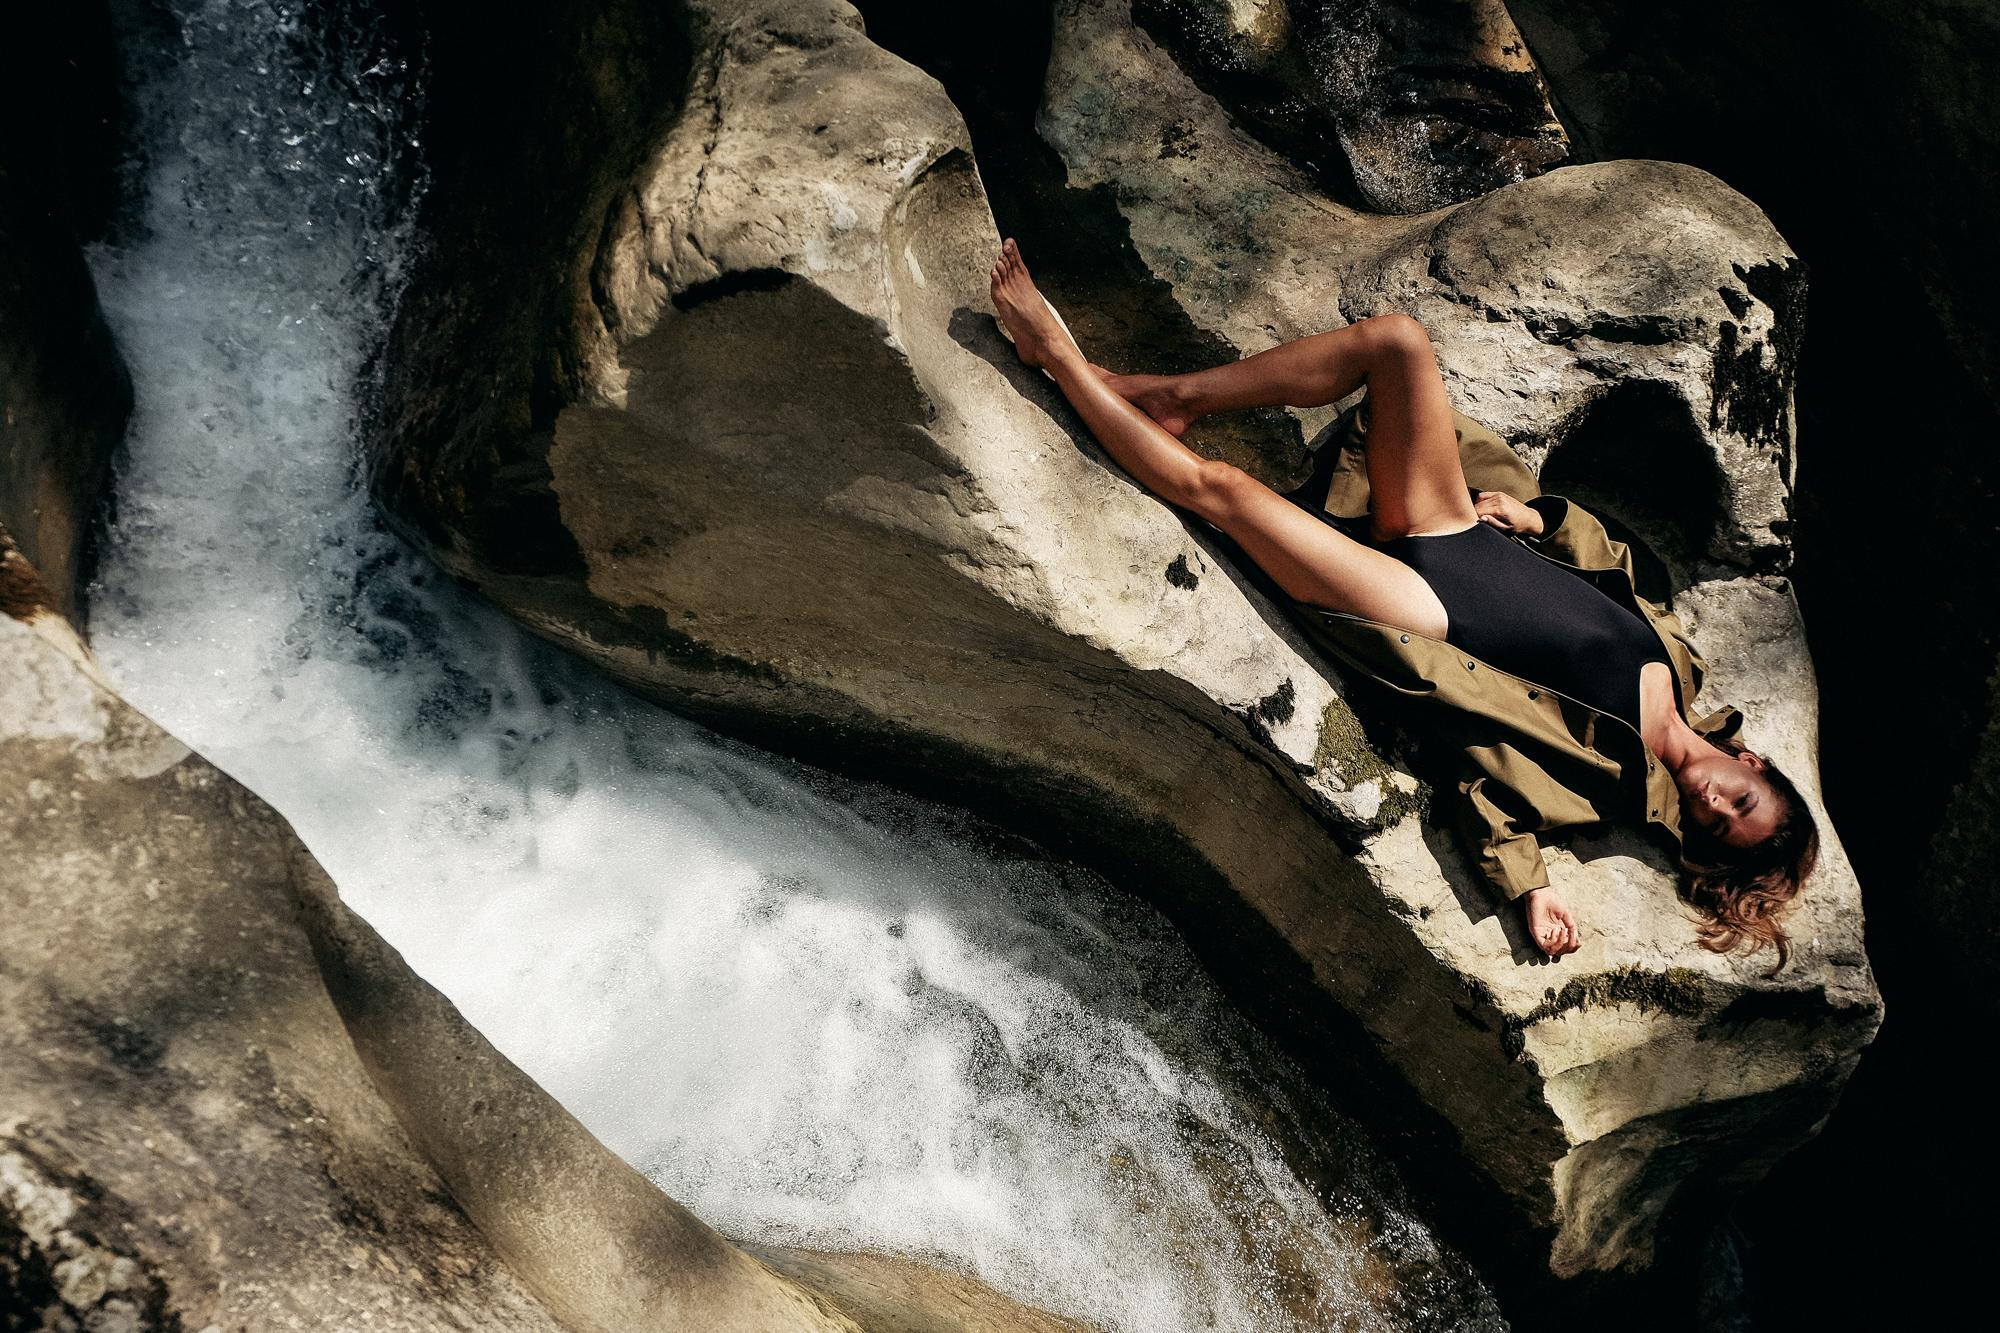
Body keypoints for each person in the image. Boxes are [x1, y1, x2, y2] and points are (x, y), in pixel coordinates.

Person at [988, 237, 1818, 965]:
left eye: (1714, 827)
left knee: (1225, 493)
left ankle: (1055, 356)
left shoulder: (1610, 785)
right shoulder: (1684, 666)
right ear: (1751, 764)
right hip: (1457, 530)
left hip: (1417, 609)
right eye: (1737, 799)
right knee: (1396, 342)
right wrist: (1539, 516)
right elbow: (1616, 571)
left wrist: (1527, 890)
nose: (1710, 802)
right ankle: (1177, 397)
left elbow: (1484, 785)